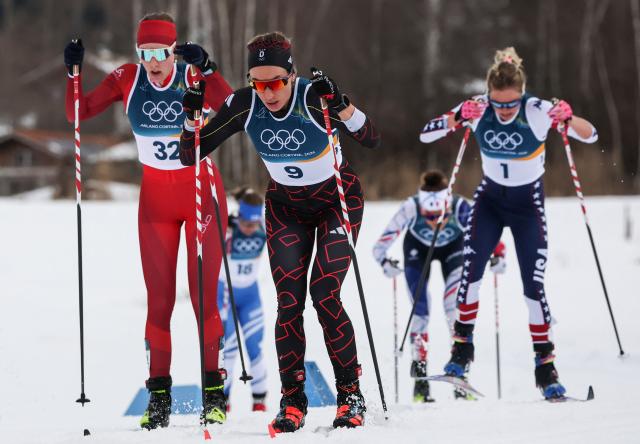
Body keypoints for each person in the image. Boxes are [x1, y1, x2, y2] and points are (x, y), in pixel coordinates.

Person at [179, 31, 381, 432]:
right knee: (289, 303)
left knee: (325, 295)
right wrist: (190, 119)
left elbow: (370, 137)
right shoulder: (244, 104)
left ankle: (350, 394)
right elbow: (191, 153)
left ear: (291, 76)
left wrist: (341, 105)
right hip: (287, 209)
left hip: (336, 204)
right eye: (258, 82)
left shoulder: (312, 96)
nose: (268, 93)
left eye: (274, 83)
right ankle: (293, 400)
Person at [63, 12, 234, 429]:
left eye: (161, 52)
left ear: (173, 50)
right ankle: (158, 398)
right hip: (155, 204)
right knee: (158, 304)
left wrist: (208, 69)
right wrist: (73, 74)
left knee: (202, 301)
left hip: (199, 198)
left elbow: (231, 107)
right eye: (146, 53)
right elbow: (77, 114)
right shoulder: (127, 78)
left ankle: (214, 393)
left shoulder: (191, 77)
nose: (154, 61)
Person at [419, 47, 598, 399]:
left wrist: (569, 116)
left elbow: (590, 134)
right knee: (470, 276)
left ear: (522, 93)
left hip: (527, 206)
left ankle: (546, 370)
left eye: (510, 104)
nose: (503, 110)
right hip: (489, 202)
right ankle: (460, 355)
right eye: (498, 104)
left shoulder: (538, 110)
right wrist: (456, 118)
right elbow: (426, 133)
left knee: (533, 287)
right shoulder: (478, 106)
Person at [372, 170, 505, 401]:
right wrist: (385, 263)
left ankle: (459, 373)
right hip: (417, 252)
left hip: (453, 251)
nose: (435, 222)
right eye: (429, 216)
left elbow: (486, 233)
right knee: (420, 308)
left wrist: (498, 254)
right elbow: (379, 246)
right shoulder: (411, 207)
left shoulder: (460, 206)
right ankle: (421, 383)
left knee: (454, 306)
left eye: (440, 216)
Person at [217, 187, 268, 412]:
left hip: (250, 295)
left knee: (254, 346)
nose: (249, 229)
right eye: (245, 224)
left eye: (253, 225)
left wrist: (246, 193)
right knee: (227, 347)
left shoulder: (264, 227)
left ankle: (259, 401)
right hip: (225, 295)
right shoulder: (227, 228)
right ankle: (222, 400)